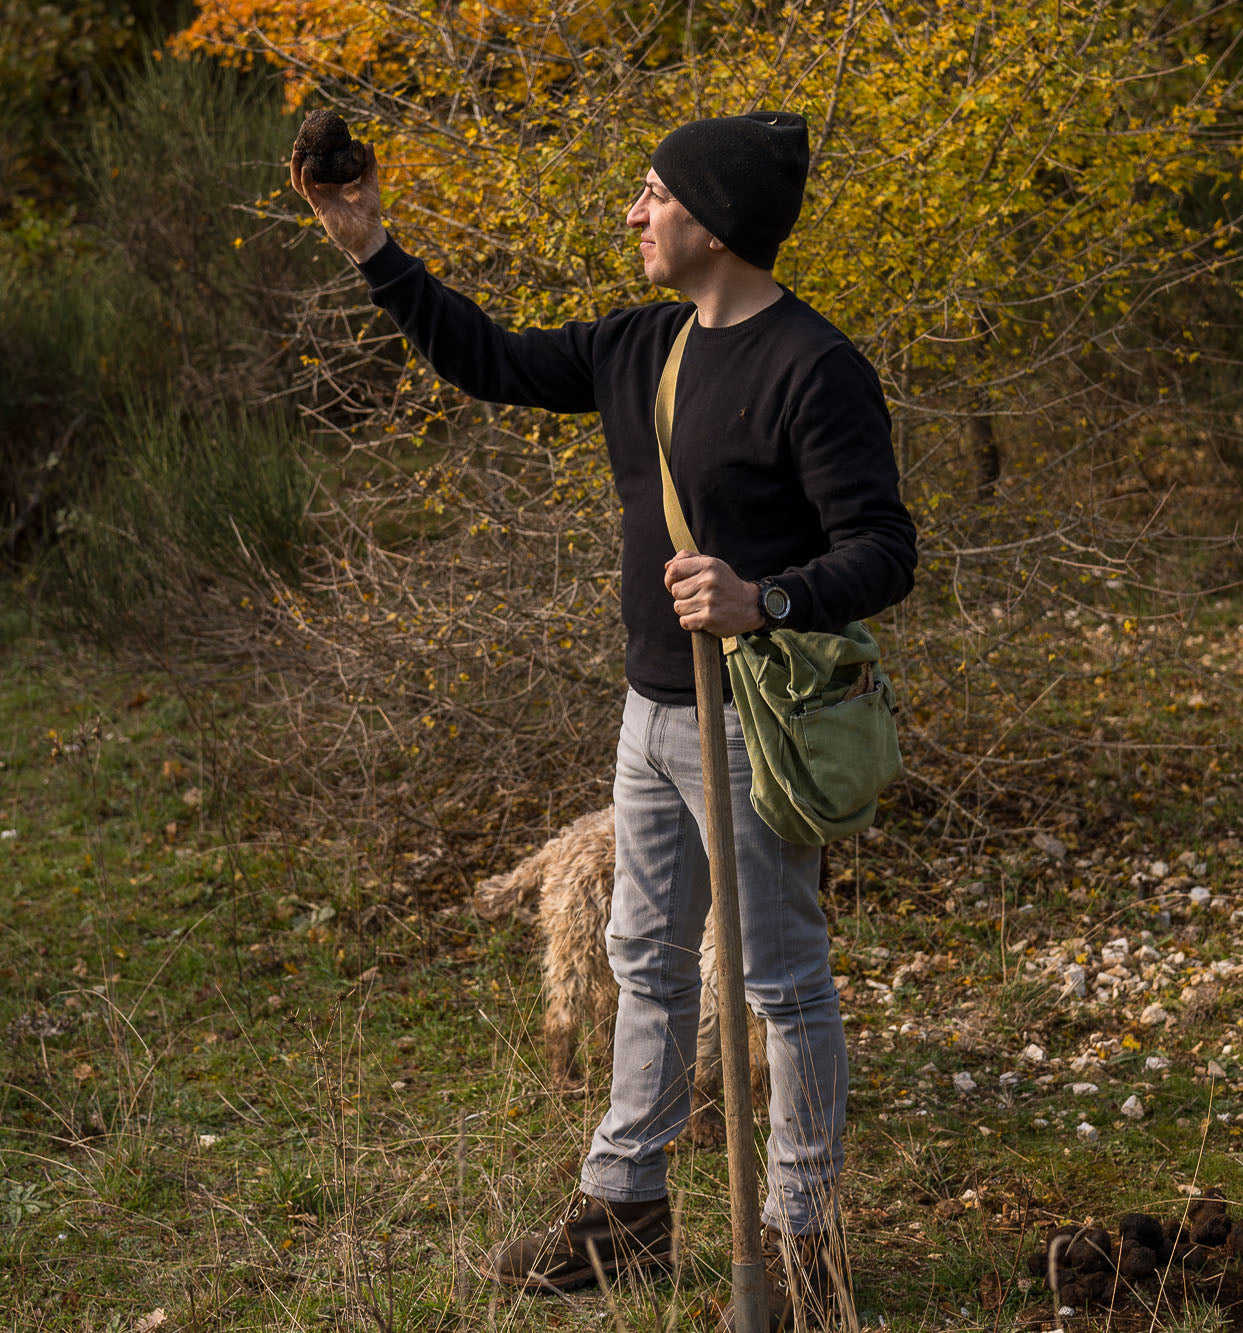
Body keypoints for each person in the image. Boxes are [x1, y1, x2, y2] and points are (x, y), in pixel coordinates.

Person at [292, 109, 917, 1331]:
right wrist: (367, 243)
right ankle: (623, 1207)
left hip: (755, 721)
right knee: (642, 958)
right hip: (651, 709)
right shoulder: (642, 345)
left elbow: (885, 548)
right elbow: (491, 359)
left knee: (781, 983)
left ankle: (801, 1241)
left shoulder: (813, 367)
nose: (632, 213)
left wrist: (765, 596)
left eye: (650, 192)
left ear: (714, 218)